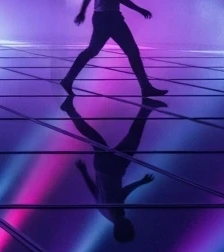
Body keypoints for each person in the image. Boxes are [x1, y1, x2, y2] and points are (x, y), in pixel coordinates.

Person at [61, 0, 167, 98]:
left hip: (99, 17)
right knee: (132, 51)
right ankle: (146, 88)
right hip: (112, 18)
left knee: (91, 51)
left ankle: (68, 79)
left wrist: (82, 12)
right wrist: (140, 9)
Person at [62, 96, 156, 243]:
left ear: (120, 230)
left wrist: (142, 182)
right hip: (102, 167)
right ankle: (69, 109)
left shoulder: (115, 213)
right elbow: (95, 191)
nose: (131, 225)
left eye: (129, 229)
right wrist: (83, 171)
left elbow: (123, 193)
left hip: (112, 168)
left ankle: (146, 107)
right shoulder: (105, 213)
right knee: (97, 136)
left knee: (132, 138)